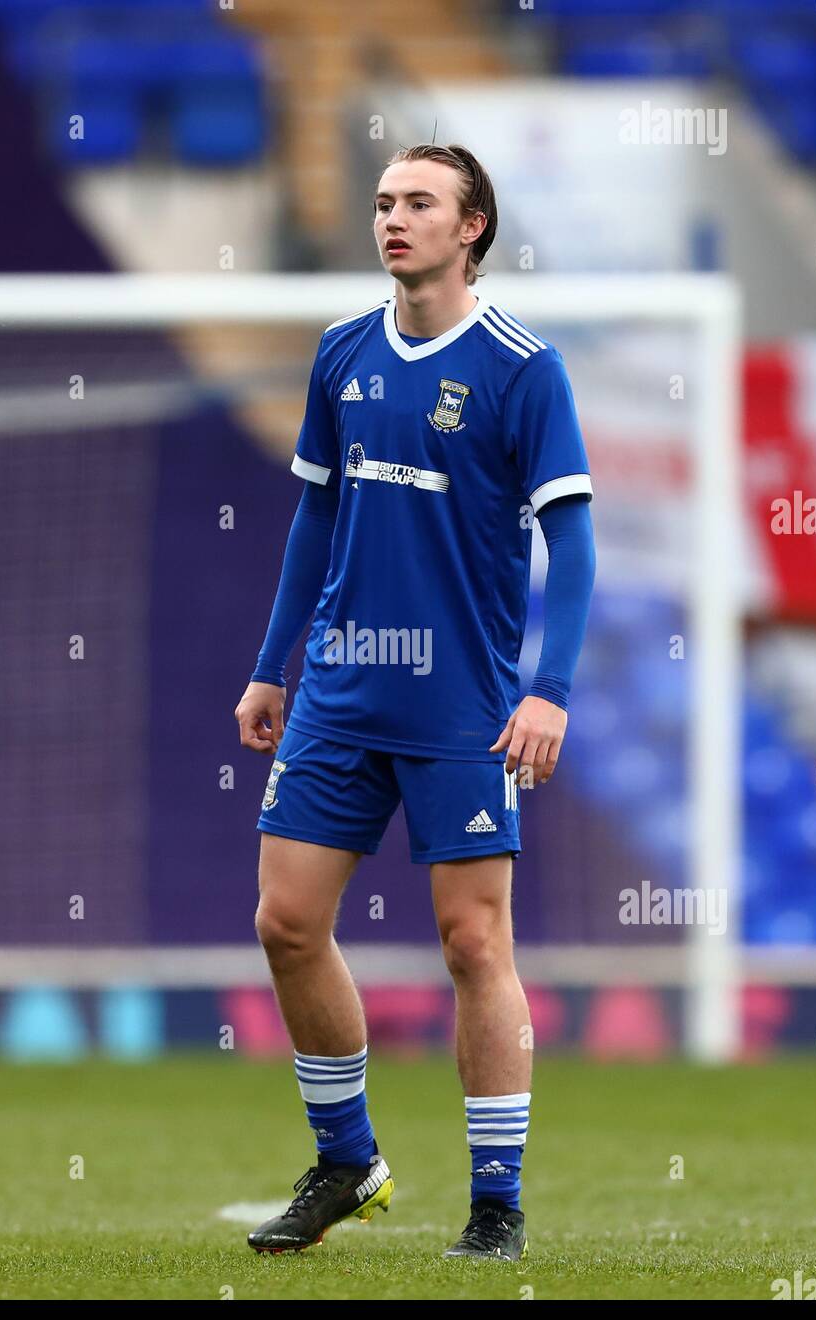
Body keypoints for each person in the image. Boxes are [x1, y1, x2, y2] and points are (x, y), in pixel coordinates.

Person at [234, 144, 596, 1261]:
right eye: (384, 201)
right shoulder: (342, 352)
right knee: (285, 924)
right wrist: (268, 662)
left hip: (463, 706)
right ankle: (346, 1159)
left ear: (471, 227)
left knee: (471, 943)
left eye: (418, 203)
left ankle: (494, 1203)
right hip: (341, 687)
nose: (392, 218)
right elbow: (312, 520)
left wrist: (549, 692)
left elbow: (571, 544)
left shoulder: (519, 367)